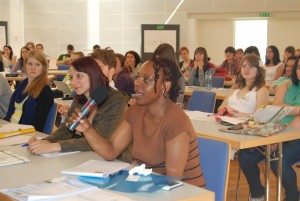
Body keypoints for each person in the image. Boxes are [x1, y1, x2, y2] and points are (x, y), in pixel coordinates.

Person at [60, 57, 206, 187]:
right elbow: (111, 151)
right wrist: (87, 129)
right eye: (138, 77)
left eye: (147, 80)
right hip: (147, 185)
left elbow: (173, 180)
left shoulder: (175, 120)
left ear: (165, 86)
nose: (137, 83)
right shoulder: (135, 111)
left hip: (184, 194)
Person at [27, 56, 131, 162]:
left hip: (114, 162)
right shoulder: (80, 97)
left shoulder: (116, 100)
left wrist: (56, 146)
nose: (73, 83)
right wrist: (46, 142)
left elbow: (100, 140)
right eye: (71, 77)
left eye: (79, 76)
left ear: (93, 75)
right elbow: (67, 129)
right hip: (86, 158)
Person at [240, 56, 300, 201]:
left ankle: (293, 197)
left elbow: (297, 120)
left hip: (295, 136)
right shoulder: (286, 85)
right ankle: (257, 192)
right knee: (245, 156)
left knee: (277, 161)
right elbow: (276, 105)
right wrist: (298, 109)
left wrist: (278, 139)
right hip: (275, 130)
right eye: (299, 67)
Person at [4, 50, 54, 132]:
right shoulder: (22, 85)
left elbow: (38, 125)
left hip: (25, 133)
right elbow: (10, 114)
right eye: (30, 64)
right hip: (10, 128)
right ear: (25, 66)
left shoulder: (45, 91)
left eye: (37, 64)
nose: (33, 68)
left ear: (43, 67)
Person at [152, 43, 185, 107]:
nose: (157, 63)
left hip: (171, 109)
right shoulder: (156, 73)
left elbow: (178, 100)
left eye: (160, 60)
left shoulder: (178, 76)